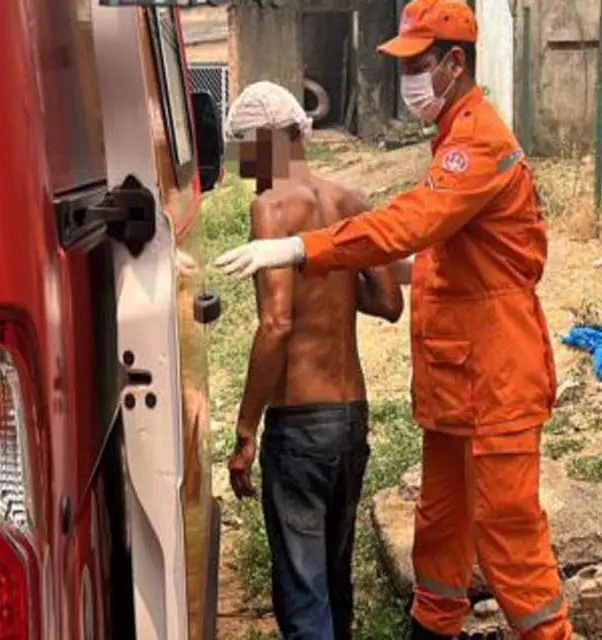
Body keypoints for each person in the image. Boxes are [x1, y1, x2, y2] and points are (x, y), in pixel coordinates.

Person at [214, 2, 574, 639]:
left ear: (454, 63)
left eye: (418, 64)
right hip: (452, 382)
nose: (406, 80)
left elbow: (412, 224)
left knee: (507, 537)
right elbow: (433, 264)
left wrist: (302, 250)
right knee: (439, 525)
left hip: (495, 376)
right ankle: (433, 628)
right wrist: (358, 270)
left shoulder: (478, 143)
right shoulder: (444, 146)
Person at [222, 81, 404, 640]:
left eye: (243, 150)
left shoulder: (272, 207)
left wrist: (246, 430)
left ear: (262, 141)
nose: (243, 165)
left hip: (299, 422)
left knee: (304, 595)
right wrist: (335, 292)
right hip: (350, 416)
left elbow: (276, 325)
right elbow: (390, 302)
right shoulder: (350, 200)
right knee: (335, 578)